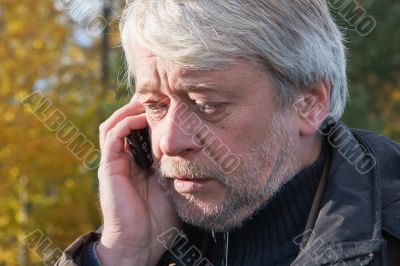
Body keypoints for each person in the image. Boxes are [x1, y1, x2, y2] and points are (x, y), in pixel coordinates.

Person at [56, 0, 400, 265]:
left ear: (308, 104)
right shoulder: (143, 239)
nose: (169, 142)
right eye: (156, 105)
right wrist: (124, 254)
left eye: (208, 105)